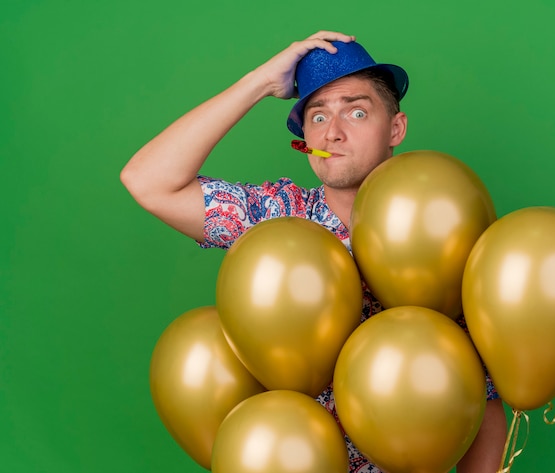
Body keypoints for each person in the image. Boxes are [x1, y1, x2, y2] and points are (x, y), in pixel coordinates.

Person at [121, 31, 507, 472]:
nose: (334, 133)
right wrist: (259, 83)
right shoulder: (275, 220)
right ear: (304, 138)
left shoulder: (446, 222)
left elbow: (482, 392)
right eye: (317, 117)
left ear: (396, 127)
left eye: (357, 112)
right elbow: (148, 181)